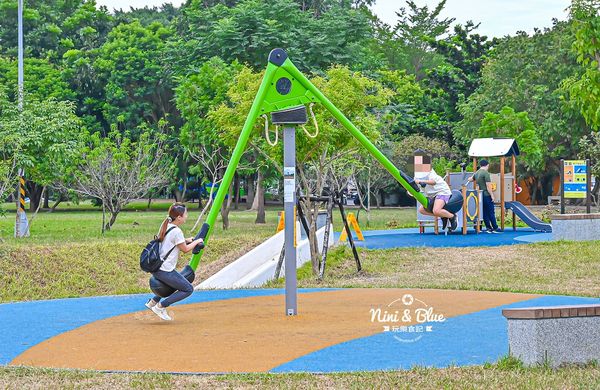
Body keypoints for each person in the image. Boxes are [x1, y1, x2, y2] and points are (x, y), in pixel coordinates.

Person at [145, 202, 204, 321]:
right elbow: (185, 249)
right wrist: (197, 241)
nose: (187, 216)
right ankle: (161, 306)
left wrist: (187, 239)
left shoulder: (166, 225)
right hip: (165, 270)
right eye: (185, 214)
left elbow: (172, 241)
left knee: (177, 282)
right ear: (179, 217)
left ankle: (153, 301)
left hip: (157, 268)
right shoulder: (177, 231)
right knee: (188, 289)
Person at [414, 166, 458, 231]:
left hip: (442, 192)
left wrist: (422, 181)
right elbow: (416, 186)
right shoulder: (417, 175)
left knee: (436, 210)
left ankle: (452, 216)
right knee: (421, 210)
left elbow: (433, 182)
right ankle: (443, 215)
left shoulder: (430, 172)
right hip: (432, 195)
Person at [468, 159, 500, 233]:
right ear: (487, 165)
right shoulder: (486, 173)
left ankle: (488, 227)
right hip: (486, 194)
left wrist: (473, 176)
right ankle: (495, 227)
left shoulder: (477, 173)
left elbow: (470, 179)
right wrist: (492, 195)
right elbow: (488, 186)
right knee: (491, 211)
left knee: (484, 212)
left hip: (480, 195)